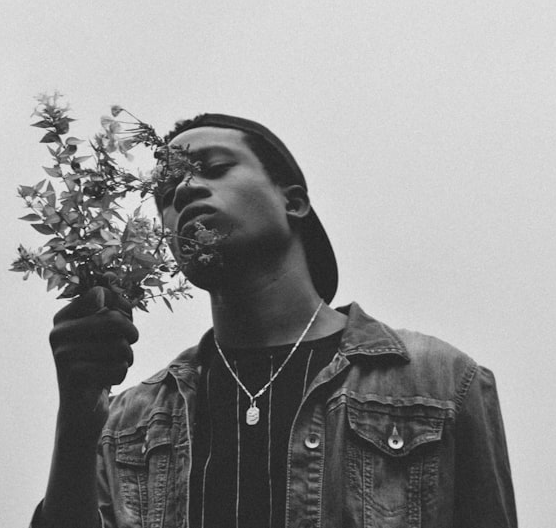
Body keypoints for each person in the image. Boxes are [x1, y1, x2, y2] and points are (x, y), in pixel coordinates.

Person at [31, 114, 516, 528]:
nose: (183, 188)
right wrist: (79, 414)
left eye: (214, 168)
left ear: (294, 201)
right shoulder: (127, 424)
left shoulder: (440, 383)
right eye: (163, 193)